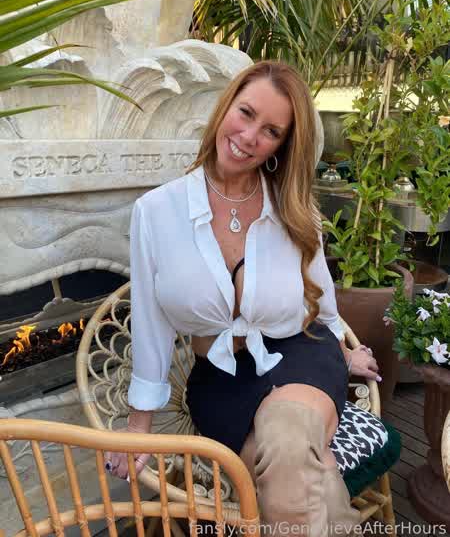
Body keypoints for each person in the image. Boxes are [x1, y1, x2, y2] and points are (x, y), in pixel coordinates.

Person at [104, 61, 381, 536]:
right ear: (225, 107)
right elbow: (150, 320)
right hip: (221, 380)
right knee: (299, 483)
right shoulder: (156, 212)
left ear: (281, 146)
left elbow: (322, 297)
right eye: (246, 113)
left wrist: (344, 352)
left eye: (271, 131)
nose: (250, 137)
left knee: (288, 445)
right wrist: (139, 425)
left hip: (300, 355)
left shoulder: (293, 207)